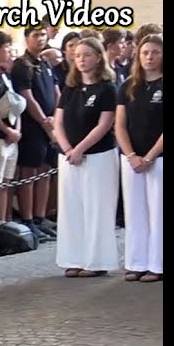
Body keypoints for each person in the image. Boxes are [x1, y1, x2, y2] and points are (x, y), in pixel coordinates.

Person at [53, 37, 120, 278]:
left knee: (96, 208)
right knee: (72, 208)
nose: (81, 60)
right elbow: (58, 121)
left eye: (87, 55)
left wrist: (80, 148)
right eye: (78, 55)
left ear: (99, 57)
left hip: (98, 155)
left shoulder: (107, 89)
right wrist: (67, 148)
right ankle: (73, 257)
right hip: (69, 157)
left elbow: (104, 124)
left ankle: (96, 260)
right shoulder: (70, 88)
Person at [114, 33, 163, 282]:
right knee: (135, 212)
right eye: (145, 52)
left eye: (155, 52)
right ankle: (137, 261)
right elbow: (120, 125)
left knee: (158, 212)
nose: (149, 57)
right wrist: (131, 155)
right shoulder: (128, 85)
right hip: (132, 159)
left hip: (158, 159)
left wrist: (150, 156)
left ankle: (158, 264)